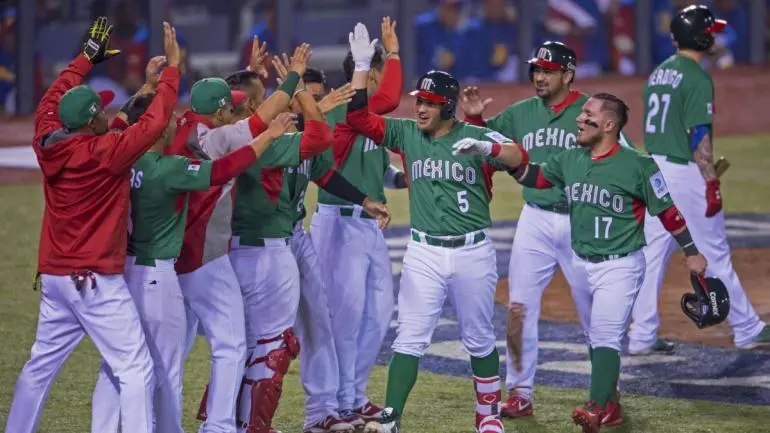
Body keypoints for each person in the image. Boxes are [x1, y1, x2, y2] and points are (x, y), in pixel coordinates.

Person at [453, 92, 708, 433]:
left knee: (604, 335)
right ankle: (607, 407)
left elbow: (669, 212)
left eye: (588, 115)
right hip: (583, 260)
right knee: (594, 333)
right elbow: (533, 176)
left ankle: (596, 407)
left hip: (621, 265)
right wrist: (491, 150)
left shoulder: (639, 166)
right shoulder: (571, 158)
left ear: (609, 124)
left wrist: (691, 251)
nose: (580, 118)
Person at [344, 22, 525, 433]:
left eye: (429, 103)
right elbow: (358, 118)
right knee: (409, 338)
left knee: (479, 338)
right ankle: (391, 419)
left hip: (473, 251)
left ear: (448, 107)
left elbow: (519, 157)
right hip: (423, 251)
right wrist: (361, 67)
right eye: (419, 101)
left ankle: (488, 416)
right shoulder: (407, 133)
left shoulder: (475, 136)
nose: (420, 108)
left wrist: (488, 146)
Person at [4, 18, 179, 433]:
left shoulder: (49, 140)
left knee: (39, 368)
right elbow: (153, 125)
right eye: (100, 110)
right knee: (136, 367)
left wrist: (86, 59)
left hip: (55, 279)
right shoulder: (105, 153)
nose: (106, 112)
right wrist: (173, 72)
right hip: (94, 282)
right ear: (88, 123)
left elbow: (52, 99)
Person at [90, 87, 297, 433]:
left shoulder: (115, 157)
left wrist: (143, 92)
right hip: (160, 273)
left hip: (122, 270)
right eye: (167, 118)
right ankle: (205, 427)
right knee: (170, 364)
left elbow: (116, 128)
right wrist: (270, 136)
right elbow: (222, 170)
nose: (176, 120)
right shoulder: (166, 168)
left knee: (120, 362)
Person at [461, 40, 631, 418]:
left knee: (595, 315)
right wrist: (476, 120)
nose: (539, 77)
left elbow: (625, 158)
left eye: (548, 71)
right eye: (536, 70)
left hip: (583, 221)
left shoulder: (592, 110)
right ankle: (520, 393)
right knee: (519, 307)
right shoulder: (521, 113)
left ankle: (607, 397)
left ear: (568, 75)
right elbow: (485, 148)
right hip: (535, 218)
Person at [173, 43, 310, 433]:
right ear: (220, 114)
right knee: (235, 344)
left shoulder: (182, 128)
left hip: (168, 258)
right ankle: (219, 427)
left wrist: (249, 78)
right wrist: (295, 77)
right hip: (204, 257)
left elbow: (238, 110)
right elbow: (258, 125)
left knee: (168, 354)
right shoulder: (216, 141)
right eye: (230, 109)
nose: (236, 112)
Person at [628, 4, 770, 354]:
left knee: (652, 253)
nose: (715, 38)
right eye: (711, 32)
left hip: (653, 171)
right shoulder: (697, 77)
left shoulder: (658, 73)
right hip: (683, 172)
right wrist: (710, 182)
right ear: (701, 37)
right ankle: (747, 328)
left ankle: (641, 335)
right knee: (712, 249)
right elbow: (698, 138)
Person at [310, 16, 406, 429]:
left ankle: (355, 395)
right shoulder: (340, 110)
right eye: (378, 73)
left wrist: (403, 180)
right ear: (371, 74)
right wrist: (393, 53)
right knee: (345, 319)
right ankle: (338, 401)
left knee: (379, 314)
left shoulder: (362, 116)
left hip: (368, 224)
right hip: (338, 222)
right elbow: (390, 99)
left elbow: (377, 167)